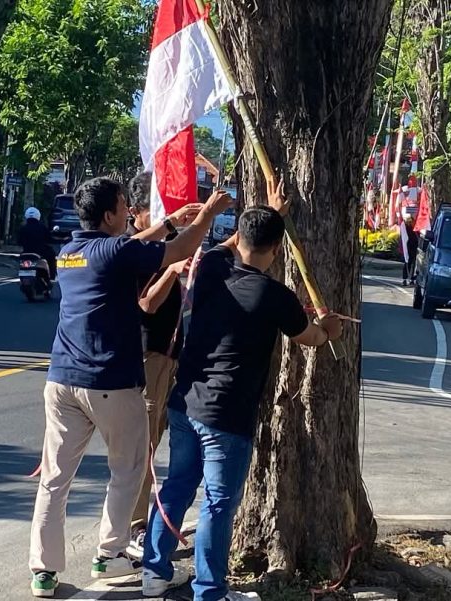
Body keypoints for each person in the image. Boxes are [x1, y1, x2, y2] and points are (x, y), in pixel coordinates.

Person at [140, 181, 344, 601]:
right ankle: (209, 591)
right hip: (227, 413)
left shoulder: (211, 266)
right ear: (277, 249)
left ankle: (154, 572)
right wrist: (329, 329)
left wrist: (269, 215)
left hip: (185, 402)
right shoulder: (275, 295)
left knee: (178, 485)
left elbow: (233, 242)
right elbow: (310, 338)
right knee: (218, 502)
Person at [29, 177, 232, 598]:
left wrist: (168, 223)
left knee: (55, 478)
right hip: (110, 382)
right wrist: (208, 215)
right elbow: (178, 251)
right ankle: (110, 553)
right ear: (109, 215)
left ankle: (43, 571)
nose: (128, 212)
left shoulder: (70, 252)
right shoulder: (116, 251)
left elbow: (128, 245)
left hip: (61, 380)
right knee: (129, 469)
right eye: (123, 206)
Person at [124, 171, 187, 559]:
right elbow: (146, 304)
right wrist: (172, 270)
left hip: (170, 353)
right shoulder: (133, 249)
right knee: (143, 447)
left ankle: (144, 521)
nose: (165, 215)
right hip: (148, 356)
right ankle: (133, 527)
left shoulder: (159, 245)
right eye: (157, 208)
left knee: (160, 437)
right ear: (135, 211)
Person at [19, 206, 58, 279]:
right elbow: (49, 239)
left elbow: (19, 241)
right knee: (52, 254)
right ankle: (52, 276)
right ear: (38, 215)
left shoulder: (23, 228)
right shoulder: (42, 227)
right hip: (41, 253)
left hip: (26, 252)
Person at [400, 214, 420, 286]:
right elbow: (404, 238)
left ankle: (411, 279)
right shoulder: (405, 226)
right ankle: (405, 279)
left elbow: (417, 234)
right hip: (408, 246)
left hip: (414, 246)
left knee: (413, 263)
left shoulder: (413, 226)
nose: (410, 222)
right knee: (408, 262)